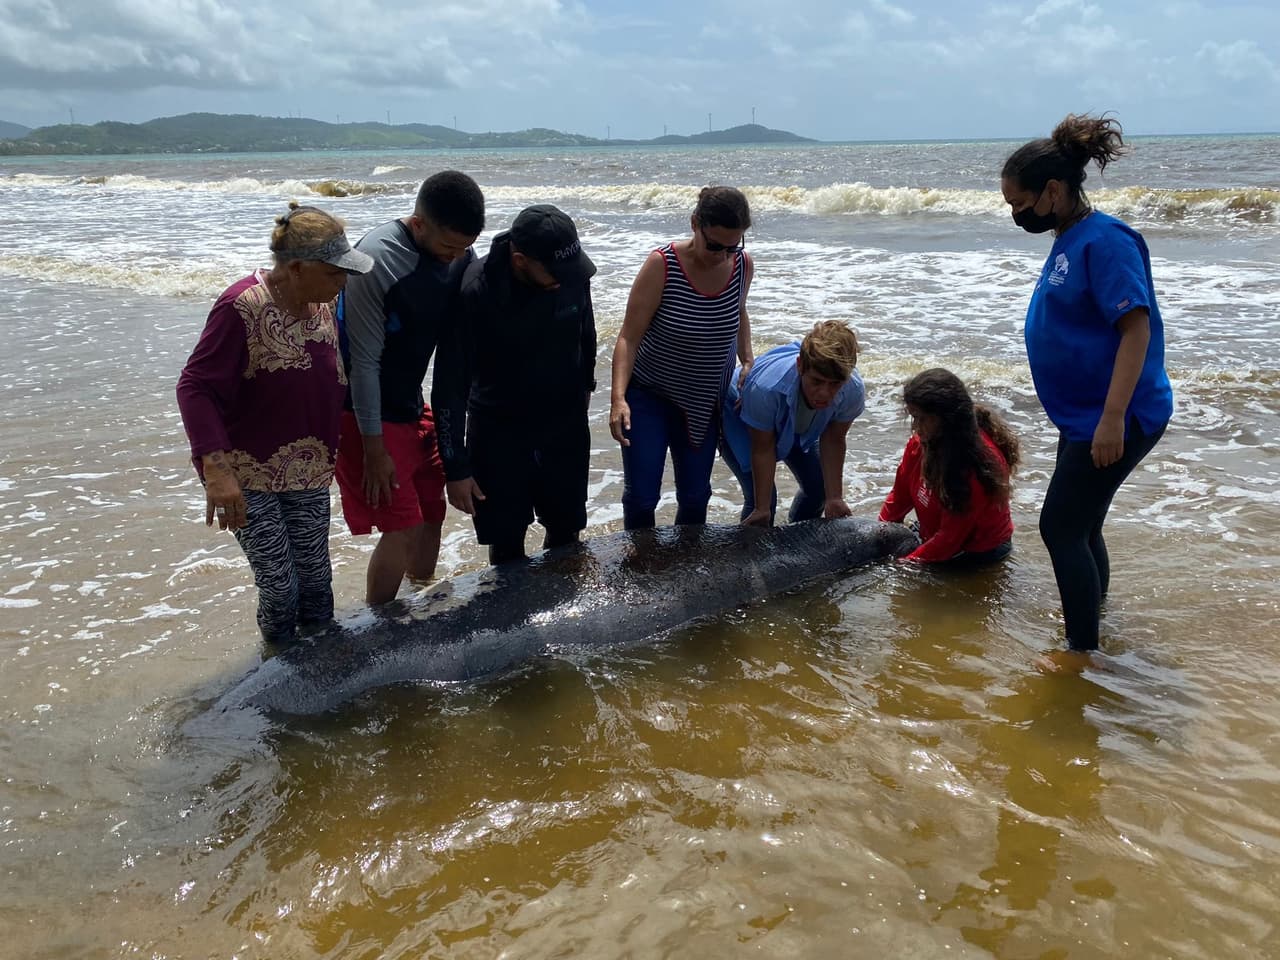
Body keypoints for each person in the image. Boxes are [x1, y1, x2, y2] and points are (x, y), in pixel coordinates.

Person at [1001, 113, 1173, 651]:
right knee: (1083, 524)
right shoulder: (1071, 235)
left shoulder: (1107, 241)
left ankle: (1082, 654)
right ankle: (1094, 620)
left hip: (1117, 414)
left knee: (1060, 528)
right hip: (1084, 415)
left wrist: (1113, 419)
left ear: (1052, 190)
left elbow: (1135, 329)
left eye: (1019, 203)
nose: (1015, 213)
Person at [176, 203, 374, 643]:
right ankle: (277, 678)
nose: (344, 282)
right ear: (299, 268)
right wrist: (217, 471)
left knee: (318, 591)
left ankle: (323, 678)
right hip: (248, 476)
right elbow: (195, 387)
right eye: (336, 272)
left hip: (307, 472)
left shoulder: (322, 304)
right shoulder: (241, 307)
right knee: (282, 590)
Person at [334, 170, 485, 603]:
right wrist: (374, 449)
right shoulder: (374, 262)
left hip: (410, 403)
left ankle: (423, 598)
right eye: (448, 247)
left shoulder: (457, 249)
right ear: (418, 224)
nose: (456, 257)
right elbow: (362, 364)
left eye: (464, 248)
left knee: (431, 511)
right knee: (400, 525)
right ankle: (380, 627)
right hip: (364, 412)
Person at [433, 204, 598, 564]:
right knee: (506, 544)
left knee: (567, 534)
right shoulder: (475, 291)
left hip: (564, 426)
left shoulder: (571, 273)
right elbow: (450, 384)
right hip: (499, 433)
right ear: (520, 260)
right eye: (553, 272)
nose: (564, 279)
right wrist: (456, 467)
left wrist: (586, 389)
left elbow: (585, 334)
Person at [609, 186, 755, 529]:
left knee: (695, 496)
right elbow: (629, 337)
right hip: (650, 396)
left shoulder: (742, 265)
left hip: (706, 402)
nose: (722, 255)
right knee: (643, 496)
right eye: (715, 245)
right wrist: (618, 399)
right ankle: (639, 567)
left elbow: (740, 311)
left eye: (732, 246)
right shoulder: (663, 264)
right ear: (694, 224)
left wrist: (748, 360)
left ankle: (688, 568)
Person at [720, 320, 865, 526]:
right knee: (763, 501)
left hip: (796, 419)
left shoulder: (852, 390)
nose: (824, 393)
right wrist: (762, 509)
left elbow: (833, 439)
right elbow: (763, 449)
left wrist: (835, 498)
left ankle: (799, 539)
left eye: (834, 384)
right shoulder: (765, 389)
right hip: (740, 413)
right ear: (800, 366)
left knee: (819, 488)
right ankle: (750, 551)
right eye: (816, 381)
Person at [879, 368, 1020, 564]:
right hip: (936, 531)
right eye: (914, 417)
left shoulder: (975, 468)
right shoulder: (920, 443)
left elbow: (949, 540)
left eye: (922, 419)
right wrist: (880, 536)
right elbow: (900, 496)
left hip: (976, 549)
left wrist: (903, 566)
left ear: (947, 420)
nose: (916, 427)